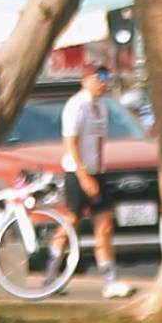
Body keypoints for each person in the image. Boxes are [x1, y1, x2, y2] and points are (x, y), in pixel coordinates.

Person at [60, 59, 124, 296]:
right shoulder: (77, 105)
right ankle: (51, 273)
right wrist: (83, 176)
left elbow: (99, 141)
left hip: (97, 172)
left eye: (106, 78)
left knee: (105, 225)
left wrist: (98, 170)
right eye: (99, 78)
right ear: (86, 80)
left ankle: (110, 280)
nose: (103, 83)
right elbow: (70, 144)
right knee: (71, 222)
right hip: (77, 172)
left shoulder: (101, 107)